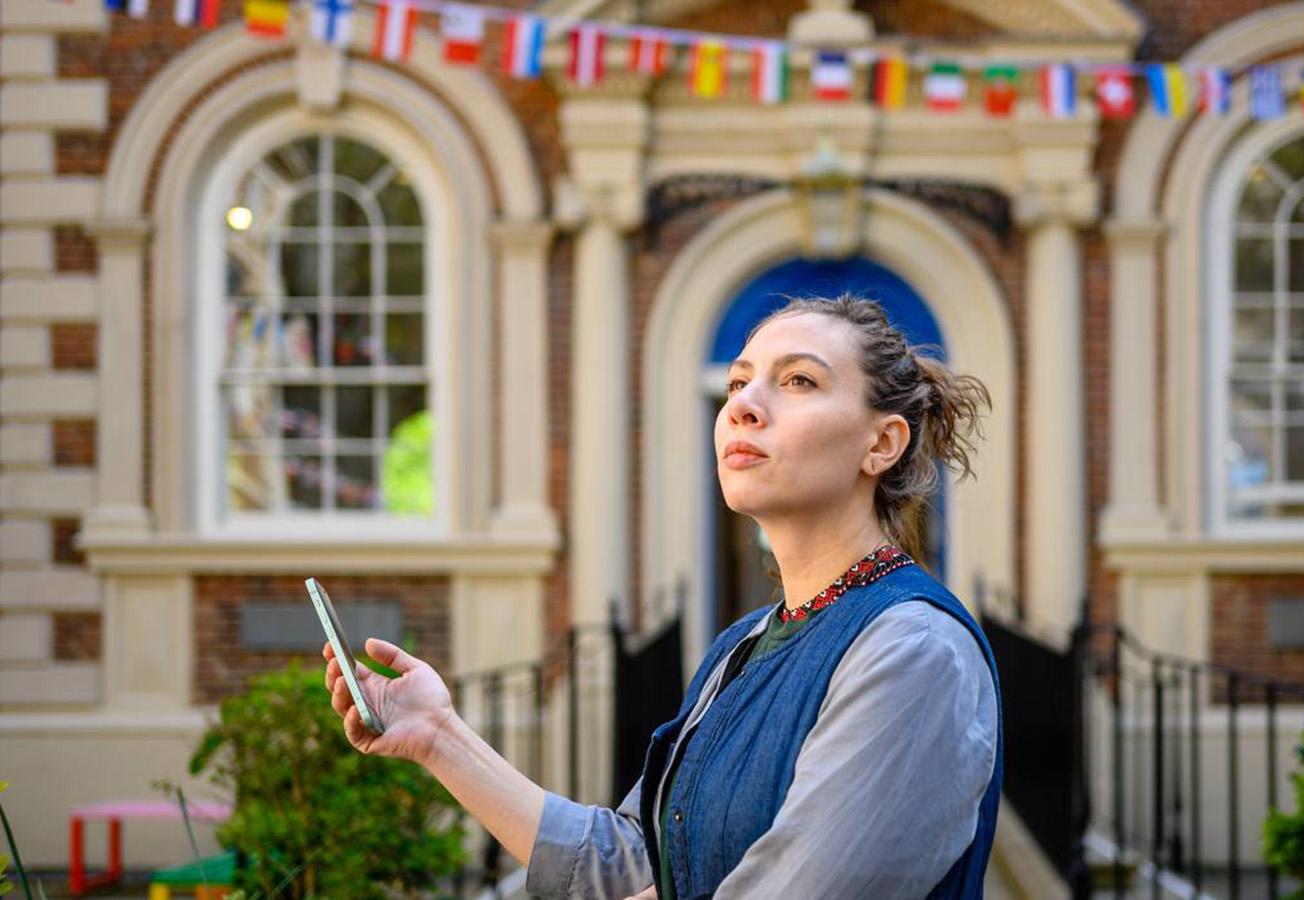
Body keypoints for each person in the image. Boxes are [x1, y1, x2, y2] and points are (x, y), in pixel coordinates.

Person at [323, 293, 1003, 899]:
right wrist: (440, 738)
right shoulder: (740, 647)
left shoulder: (915, 651)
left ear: (881, 443)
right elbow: (632, 859)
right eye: (738, 382)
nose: (742, 403)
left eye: (798, 380)